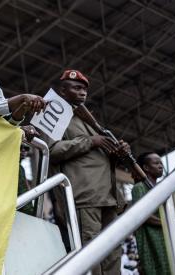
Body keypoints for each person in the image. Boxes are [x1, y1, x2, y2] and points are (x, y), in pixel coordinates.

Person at [47, 69, 130, 275]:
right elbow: (51, 151)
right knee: (91, 252)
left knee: (112, 252)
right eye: (76, 87)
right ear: (62, 91)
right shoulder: (54, 114)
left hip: (108, 196)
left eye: (84, 88)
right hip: (84, 195)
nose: (82, 91)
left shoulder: (90, 121)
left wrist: (118, 152)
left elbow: (100, 156)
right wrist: (91, 141)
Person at [132, 152, 170, 275]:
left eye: (161, 163)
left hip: (164, 237)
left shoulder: (161, 188)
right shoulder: (139, 188)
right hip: (150, 239)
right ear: (146, 168)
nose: (161, 166)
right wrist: (167, 223)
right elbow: (142, 216)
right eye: (156, 163)